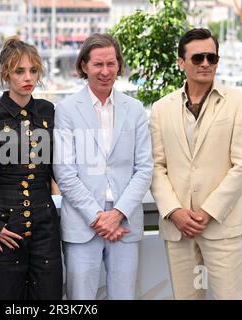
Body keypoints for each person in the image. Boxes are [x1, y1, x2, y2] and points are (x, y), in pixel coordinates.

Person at [150, 28, 242, 300]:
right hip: (178, 228)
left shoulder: (240, 104)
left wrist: (207, 212)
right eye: (198, 58)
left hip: (222, 225)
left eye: (212, 57)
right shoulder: (161, 108)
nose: (206, 64)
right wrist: (175, 211)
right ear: (181, 62)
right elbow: (155, 166)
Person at [53, 33, 153, 300]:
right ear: (84, 65)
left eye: (111, 63)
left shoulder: (134, 109)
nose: (105, 71)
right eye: (98, 64)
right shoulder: (66, 110)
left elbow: (144, 168)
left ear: (119, 65)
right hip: (84, 222)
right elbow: (64, 172)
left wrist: (117, 213)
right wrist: (99, 218)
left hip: (125, 220)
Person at [0, 36, 62, 300]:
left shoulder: (49, 113)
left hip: (44, 224)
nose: (27, 77)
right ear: (5, 74)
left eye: (33, 71)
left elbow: (61, 167)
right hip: (4, 226)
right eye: (20, 71)